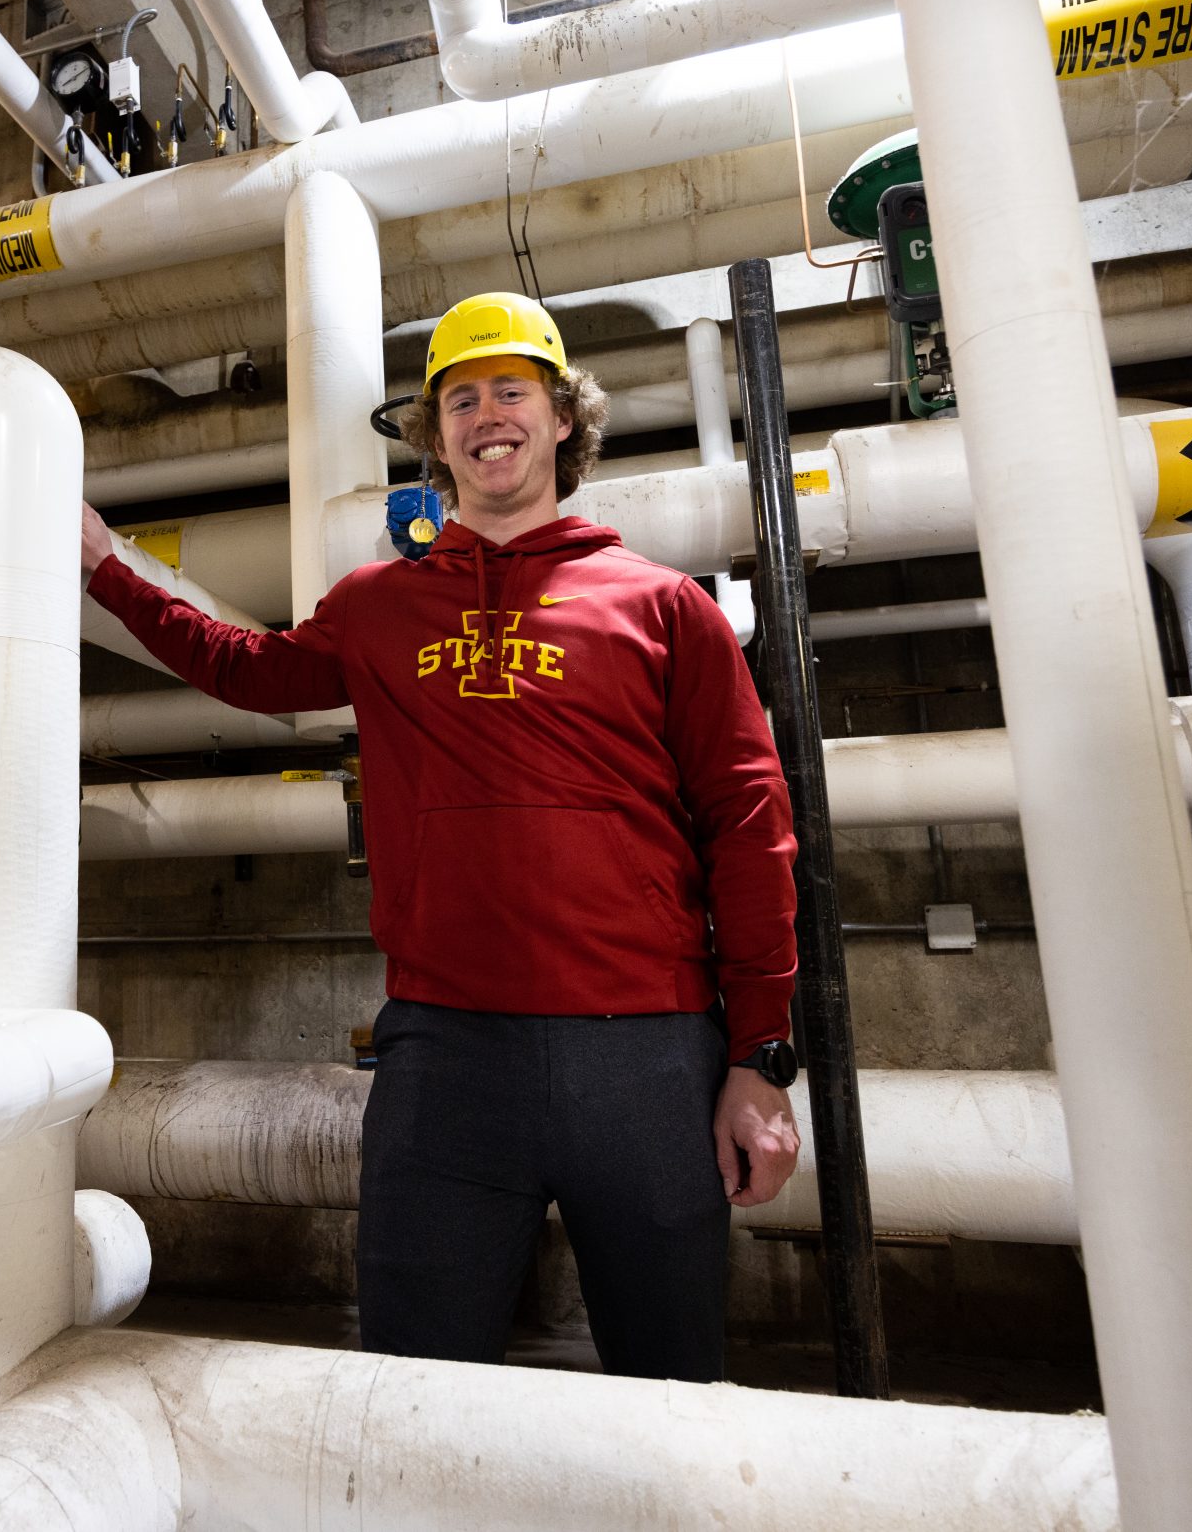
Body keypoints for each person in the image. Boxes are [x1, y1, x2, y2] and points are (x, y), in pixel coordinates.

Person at [79, 290, 801, 1381]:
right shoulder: (378, 607)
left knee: (672, 1389)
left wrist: (757, 1056)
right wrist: (101, 561)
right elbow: (242, 667)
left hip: (648, 1055)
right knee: (412, 1390)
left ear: (563, 418)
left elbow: (751, 826)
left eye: (511, 389)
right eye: (458, 398)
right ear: (434, 437)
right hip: (449, 1057)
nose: (484, 414)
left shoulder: (663, 608)